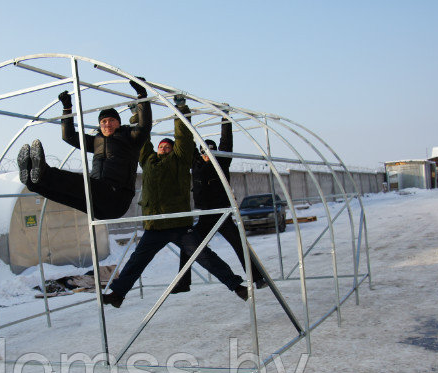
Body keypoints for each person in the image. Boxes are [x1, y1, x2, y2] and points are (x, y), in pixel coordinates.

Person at [101, 97, 248, 308]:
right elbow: (142, 140)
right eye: (160, 146)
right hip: (155, 226)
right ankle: (117, 295)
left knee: (204, 256)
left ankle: (236, 286)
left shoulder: (179, 161)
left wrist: (181, 109)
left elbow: (183, 138)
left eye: (167, 146)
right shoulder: (148, 162)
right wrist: (136, 116)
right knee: (136, 261)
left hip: (179, 225)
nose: (163, 148)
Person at [17, 79, 152, 219]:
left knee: (79, 183)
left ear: (119, 122)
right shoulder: (96, 141)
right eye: (103, 122)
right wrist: (67, 109)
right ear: (100, 125)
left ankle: (44, 172)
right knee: (66, 196)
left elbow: (144, 125)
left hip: (117, 197)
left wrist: (142, 94)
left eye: (112, 120)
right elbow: (68, 136)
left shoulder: (130, 138)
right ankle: (33, 183)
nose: (107, 124)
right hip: (98, 204)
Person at [172, 108, 267, 293]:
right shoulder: (196, 164)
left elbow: (226, 142)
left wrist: (225, 118)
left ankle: (257, 278)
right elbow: (188, 142)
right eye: (204, 151)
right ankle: (183, 282)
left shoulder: (221, 162)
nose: (207, 154)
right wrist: (185, 118)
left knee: (240, 245)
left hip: (222, 214)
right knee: (188, 246)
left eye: (210, 151)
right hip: (206, 216)